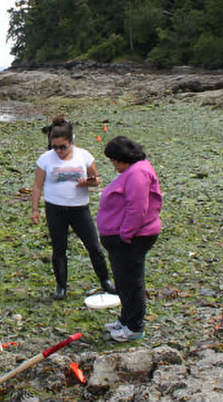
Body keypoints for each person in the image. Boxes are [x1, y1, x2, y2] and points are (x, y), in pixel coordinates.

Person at [30, 118, 114, 300]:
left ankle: (105, 281)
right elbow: (37, 186)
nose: (59, 151)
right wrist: (35, 209)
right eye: (55, 147)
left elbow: (97, 178)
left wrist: (89, 182)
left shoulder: (84, 156)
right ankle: (61, 287)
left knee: (93, 246)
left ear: (71, 141)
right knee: (59, 249)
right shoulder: (45, 159)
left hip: (79, 209)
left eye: (63, 147)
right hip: (55, 209)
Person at [97, 136, 162, 342]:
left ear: (122, 157)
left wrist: (125, 234)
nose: (113, 165)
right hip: (123, 237)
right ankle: (125, 319)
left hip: (133, 238)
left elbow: (137, 208)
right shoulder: (134, 171)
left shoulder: (138, 173)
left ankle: (134, 326)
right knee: (124, 282)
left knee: (131, 282)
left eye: (114, 161)